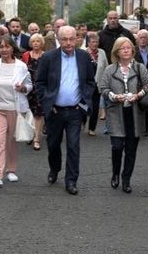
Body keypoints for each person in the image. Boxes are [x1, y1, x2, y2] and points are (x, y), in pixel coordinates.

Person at [36, 26, 96, 195]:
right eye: (64, 39)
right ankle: (54, 169)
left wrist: (83, 105)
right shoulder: (49, 57)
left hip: (75, 111)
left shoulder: (84, 57)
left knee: (73, 146)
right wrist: (48, 103)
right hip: (55, 111)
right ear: (58, 39)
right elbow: (40, 83)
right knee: (53, 144)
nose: (68, 43)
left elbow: (90, 83)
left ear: (77, 38)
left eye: (71, 39)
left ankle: (71, 180)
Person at [99, 37, 148, 193]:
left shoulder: (140, 67)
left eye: (129, 47)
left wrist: (138, 95)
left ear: (133, 50)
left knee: (130, 149)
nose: (126, 50)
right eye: (123, 48)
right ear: (117, 51)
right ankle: (115, 173)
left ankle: (126, 179)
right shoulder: (110, 69)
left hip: (134, 113)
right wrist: (114, 96)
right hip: (116, 112)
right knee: (116, 146)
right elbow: (103, 88)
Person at [0, 36, 32, 187]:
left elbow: (29, 86)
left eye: (7, 46)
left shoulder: (21, 66)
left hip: (15, 108)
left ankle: (11, 169)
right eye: (1, 47)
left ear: (12, 48)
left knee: (11, 140)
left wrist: (22, 88)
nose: (4, 49)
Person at [21, 33, 46, 150]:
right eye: (34, 41)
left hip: (41, 89)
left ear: (42, 43)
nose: (36, 43)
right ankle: (30, 133)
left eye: (38, 41)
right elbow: (21, 71)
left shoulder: (46, 56)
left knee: (38, 114)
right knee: (28, 112)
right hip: (28, 88)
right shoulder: (26, 55)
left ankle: (37, 138)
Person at [84, 32, 108, 136]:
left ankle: (92, 128)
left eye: (97, 42)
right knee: (84, 105)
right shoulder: (83, 52)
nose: (95, 44)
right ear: (88, 43)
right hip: (85, 85)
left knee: (95, 107)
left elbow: (106, 67)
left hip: (97, 84)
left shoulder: (102, 53)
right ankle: (82, 121)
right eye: (93, 42)